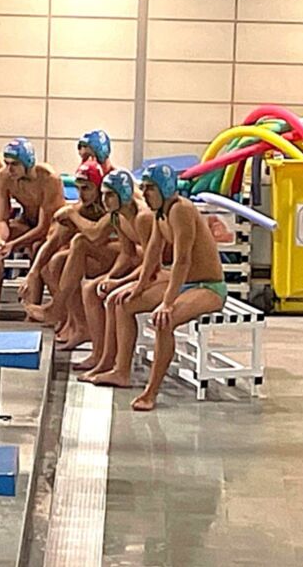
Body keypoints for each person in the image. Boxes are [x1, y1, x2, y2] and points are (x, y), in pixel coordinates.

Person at [93, 164, 227, 412]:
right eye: (142, 188)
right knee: (123, 304)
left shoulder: (181, 210)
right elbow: (152, 255)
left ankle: (150, 392)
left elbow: (182, 260)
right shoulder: (160, 213)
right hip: (185, 283)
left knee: (165, 319)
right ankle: (121, 371)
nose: (144, 194)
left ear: (165, 188)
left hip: (209, 287)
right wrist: (137, 287)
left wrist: (167, 302)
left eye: (150, 188)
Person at [23, 164, 130, 349]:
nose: (81, 194)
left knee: (80, 242)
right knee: (54, 263)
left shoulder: (115, 204)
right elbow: (54, 241)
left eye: (86, 188)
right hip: (108, 256)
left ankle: (57, 308)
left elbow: (95, 235)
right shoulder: (83, 208)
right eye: (78, 188)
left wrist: (72, 214)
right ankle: (80, 326)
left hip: (130, 258)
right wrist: (33, 272)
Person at [73, 170, 153, 374]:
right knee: (91, 288)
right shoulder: (117, 216)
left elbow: (154, 263)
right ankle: (99, 355)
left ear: (123, 195)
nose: (104, 200)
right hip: (144, 268)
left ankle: (114, 363)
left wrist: (119, 283)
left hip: (158, 271)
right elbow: (127, 254)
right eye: (103, 194)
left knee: (115, 299)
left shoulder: (143, 217)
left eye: (109, 195)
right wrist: (110, 277)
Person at [0, 138, 65, 322]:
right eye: (7, 164)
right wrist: (1, 241)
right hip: (27, 222)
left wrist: (13, 244)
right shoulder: (4, 176)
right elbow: (2, 220)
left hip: (54, 228)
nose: (9, 169)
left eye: (14, 164)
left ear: (27, 163)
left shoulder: (48, 179)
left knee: (38, 247)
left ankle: (33, 312)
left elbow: (43, 228)